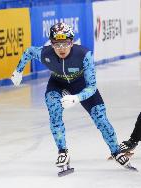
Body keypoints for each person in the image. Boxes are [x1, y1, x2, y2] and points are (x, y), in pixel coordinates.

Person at [10, 22, 133, 169]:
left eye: (66, 44)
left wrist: (77, 97)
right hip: (57, 83)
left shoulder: (84, 55)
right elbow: (29, 52)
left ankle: (116, 152)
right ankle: (62, 151)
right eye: (57, 44)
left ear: (72, 42)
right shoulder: (45, 53)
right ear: (51, 43)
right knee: (54, 111)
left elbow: (92, 86)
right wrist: (18, 71)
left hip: (81, 84)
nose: (61, 49)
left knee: (101, 119)